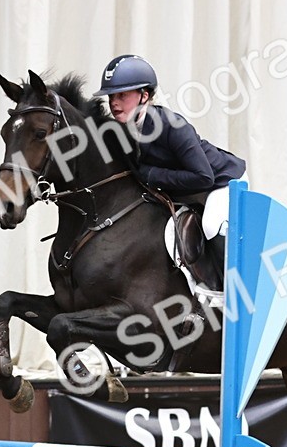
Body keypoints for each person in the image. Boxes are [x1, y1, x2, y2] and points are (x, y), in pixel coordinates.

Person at [93, 55, 243, 291]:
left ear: (144, 95)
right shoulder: (122, 131)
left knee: (212, 225)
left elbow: (204, 177)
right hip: (187, 187)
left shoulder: (172, 126)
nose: (114, 102)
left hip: (222, 183)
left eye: (122, 95)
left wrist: (152, 175)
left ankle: (227, 290)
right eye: (112, 96)